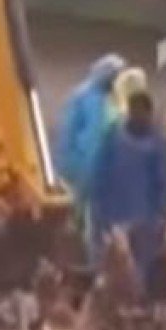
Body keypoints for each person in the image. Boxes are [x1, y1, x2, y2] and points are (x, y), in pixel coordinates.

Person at [89, 88, 166, 295]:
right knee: (119, 265)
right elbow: (100, 175)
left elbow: (162, 180)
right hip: (121, 216)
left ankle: (130, 303)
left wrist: (162, 212)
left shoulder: (151, 141)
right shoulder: (118, 138)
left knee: (135, 268)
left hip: (141, 218)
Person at [52, 53, 125, 246]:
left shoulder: (108, 99)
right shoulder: (85, 98)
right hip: (80, 166)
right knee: (76, 216)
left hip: (95, 169)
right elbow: (71, 135)